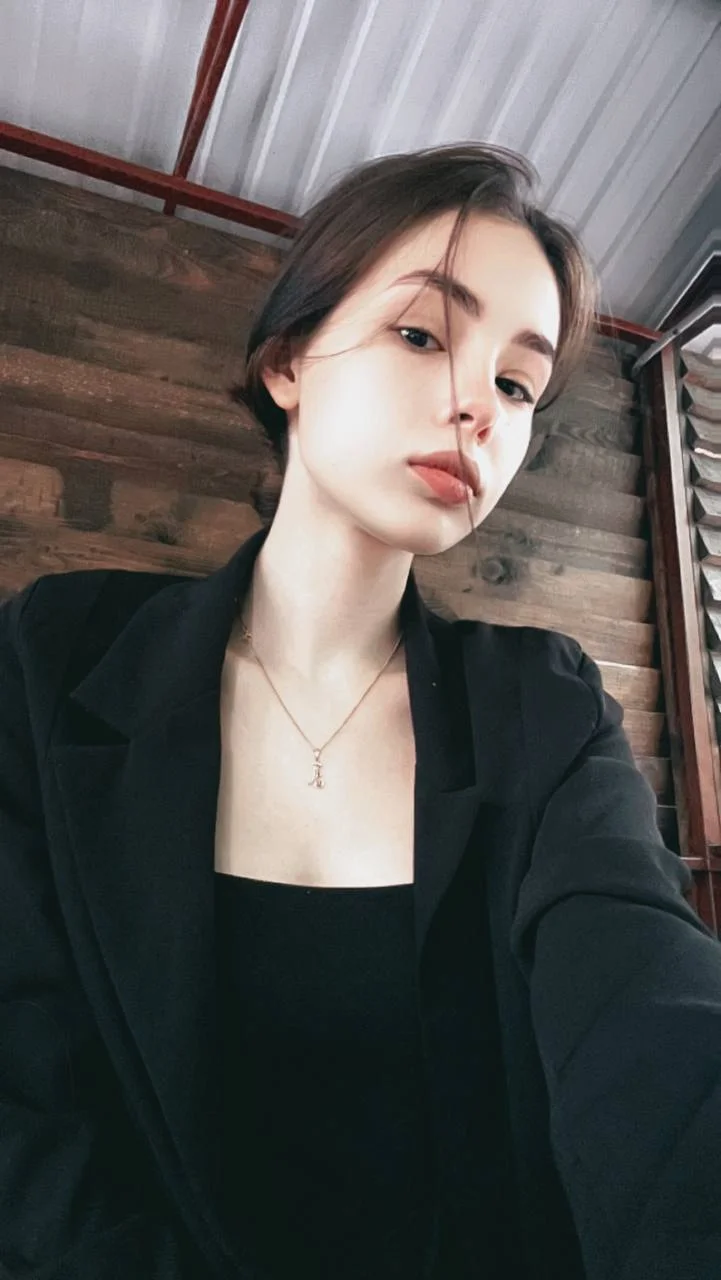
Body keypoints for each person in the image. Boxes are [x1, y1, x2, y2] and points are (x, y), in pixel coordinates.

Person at [1, 142, 720, 1280]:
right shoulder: (53, 654)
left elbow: (646, 997)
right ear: (287, 360)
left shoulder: (543, 706)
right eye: (423, 334)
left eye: (517, 384)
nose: (476, 407)